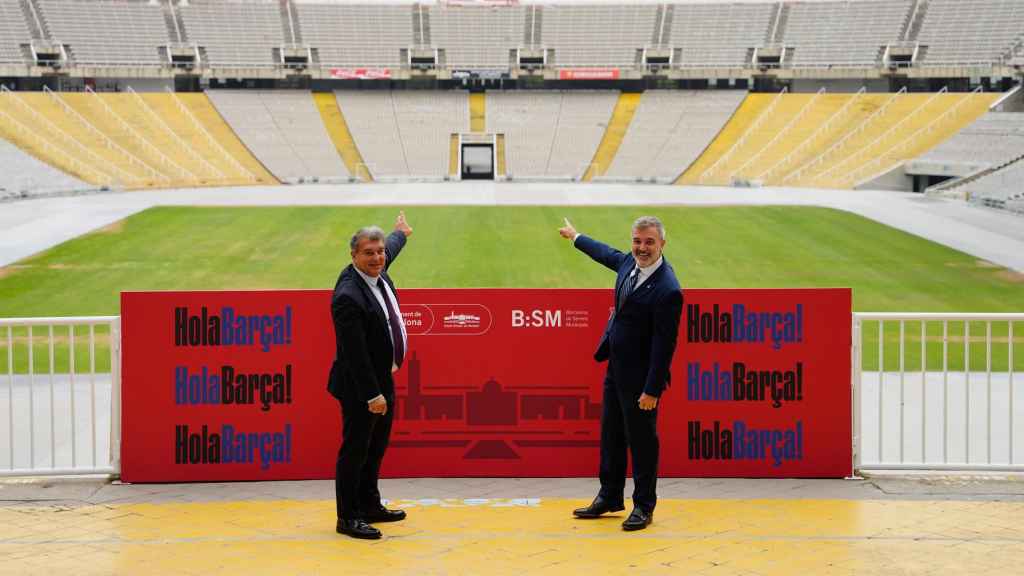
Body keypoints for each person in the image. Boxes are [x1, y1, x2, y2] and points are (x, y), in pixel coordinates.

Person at [558, 215, 683, 531]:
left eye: (649, 242)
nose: (642, 248)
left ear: (662, 245)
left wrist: (652, 390)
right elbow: (607, 254)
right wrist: (576, 236)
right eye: (638, 241)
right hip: (616, 367)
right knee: (611, 434)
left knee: (641, 442)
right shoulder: (629, 263)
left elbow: (664, 345)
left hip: (641, 380)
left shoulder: (668, 289)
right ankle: (610, 496)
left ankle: (644, 506)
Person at [328, 211, 413, 540]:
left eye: (380, 252)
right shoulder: (348, 297)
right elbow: (355, 355)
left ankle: (370, 504)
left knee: (376, 447)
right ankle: (348, 518)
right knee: (355, 451)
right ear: (353, 256)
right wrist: (372, 395)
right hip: (361, 387)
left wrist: (400, 234)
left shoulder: (376, 270)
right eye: (369, 253)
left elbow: (388, 248)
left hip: (382, 379)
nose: (378, 257)